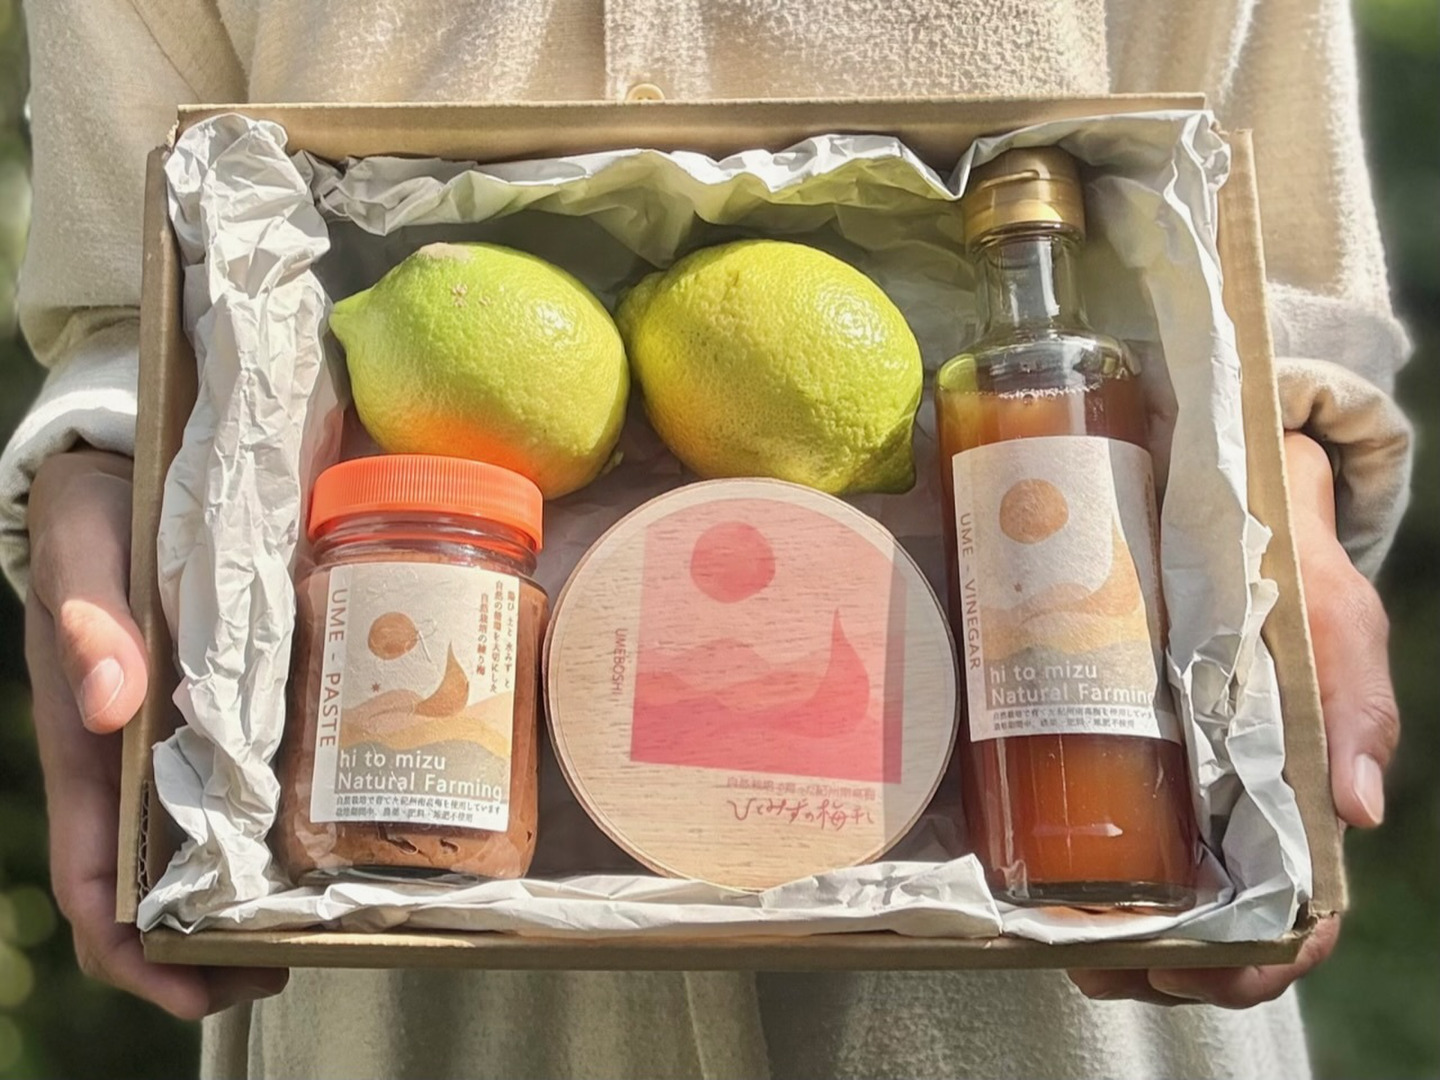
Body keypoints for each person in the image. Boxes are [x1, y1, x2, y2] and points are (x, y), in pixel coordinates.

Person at [2, 0, 1412, 1077]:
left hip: (1038, 1002)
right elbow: (138, 301)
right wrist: (104, 477)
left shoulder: (1019, 391)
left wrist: (1288, 480)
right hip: (423, 996)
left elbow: (1277, 301)